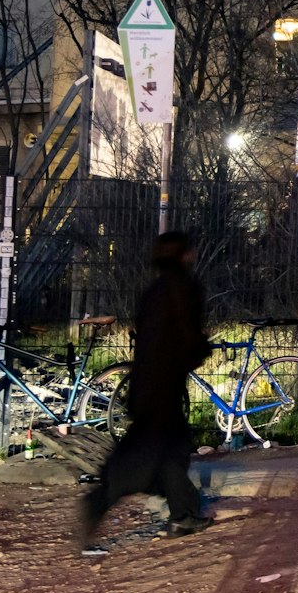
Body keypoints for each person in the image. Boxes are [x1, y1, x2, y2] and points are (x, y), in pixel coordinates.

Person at [81, 231, 212, 547]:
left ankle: (182, 514)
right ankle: (99, 501)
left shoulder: (155, 290)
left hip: (149, 386)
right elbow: (185, 336)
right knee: (146, 458)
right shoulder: (182, 288)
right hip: (164, 388)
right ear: (183, 255)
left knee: (170, 453)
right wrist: (201, 349)